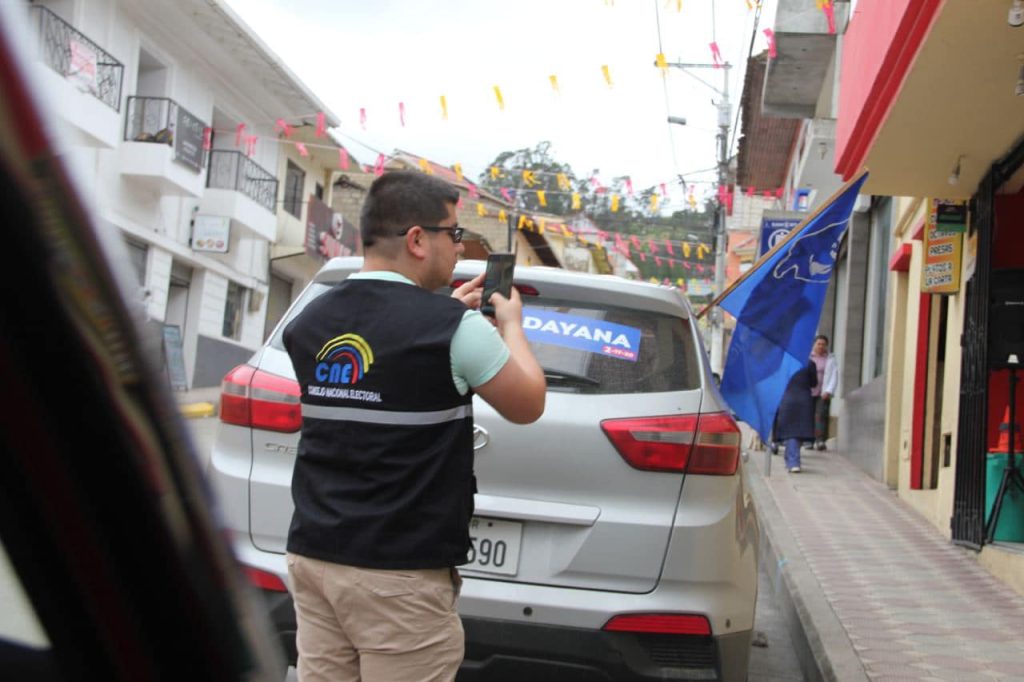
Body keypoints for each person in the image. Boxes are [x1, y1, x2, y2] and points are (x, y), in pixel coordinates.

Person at [281, 171, 547, 682]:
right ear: (418, 239)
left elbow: (383, 362)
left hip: (315, 557)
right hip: (397, 576)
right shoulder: (454, 329)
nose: (459, 249)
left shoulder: (308, 322)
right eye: (453, 234)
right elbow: (528, 403)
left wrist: (442, 315)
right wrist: (510, 325)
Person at [775, 360, 818, 473]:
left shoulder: (783, 363)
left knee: (791, 430)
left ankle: (792, 460)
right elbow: (814, 383)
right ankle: (793, 460)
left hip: (786, 398)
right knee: (798, 430)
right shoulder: (809, 363)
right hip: (804, 399)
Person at [810, 334, 838, 450]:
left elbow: (834, 376)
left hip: (823, 393)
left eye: (823, 344)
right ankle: (808, 440)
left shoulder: (830, 359)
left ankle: (820, 440)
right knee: (808, 416)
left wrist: (829, 390)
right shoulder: (809, 357)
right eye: (819, 344)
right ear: (814, 345)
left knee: (820, 415)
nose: (821, 346)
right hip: (809, 391)